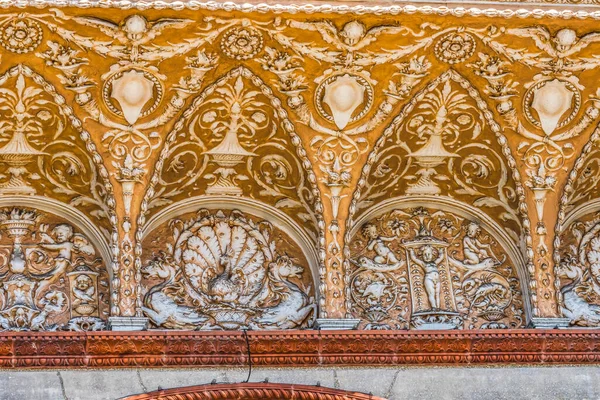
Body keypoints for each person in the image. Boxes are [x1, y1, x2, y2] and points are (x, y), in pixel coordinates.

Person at [409, 245, 444, 310]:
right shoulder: (423, 264)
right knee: (431, 293)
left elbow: (440, 257)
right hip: (429, 278)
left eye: (429, 254)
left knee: (437, 294)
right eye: (425, 254)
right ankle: (433, 307)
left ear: (432, 255)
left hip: (437, 279)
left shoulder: (434, 263)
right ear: (422, 256)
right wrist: (411, 251)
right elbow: (414, 258)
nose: (427, 256)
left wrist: (440, 250)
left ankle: (438, 308)